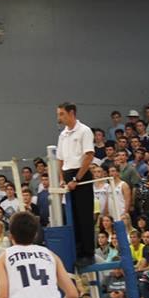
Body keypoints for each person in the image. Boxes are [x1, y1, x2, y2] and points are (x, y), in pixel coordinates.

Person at [56, 102, 96, 267]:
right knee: (72, 217)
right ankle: (77, 252)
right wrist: (61, 178)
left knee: (84, 216)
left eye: (61, 114)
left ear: (71, 113)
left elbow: (89, 155)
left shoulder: (84, 131)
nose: (59, 117)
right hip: (68, 174)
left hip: (81, 175)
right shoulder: (63, 134)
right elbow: (60, 158)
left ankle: (88, 254)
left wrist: (76, 179)